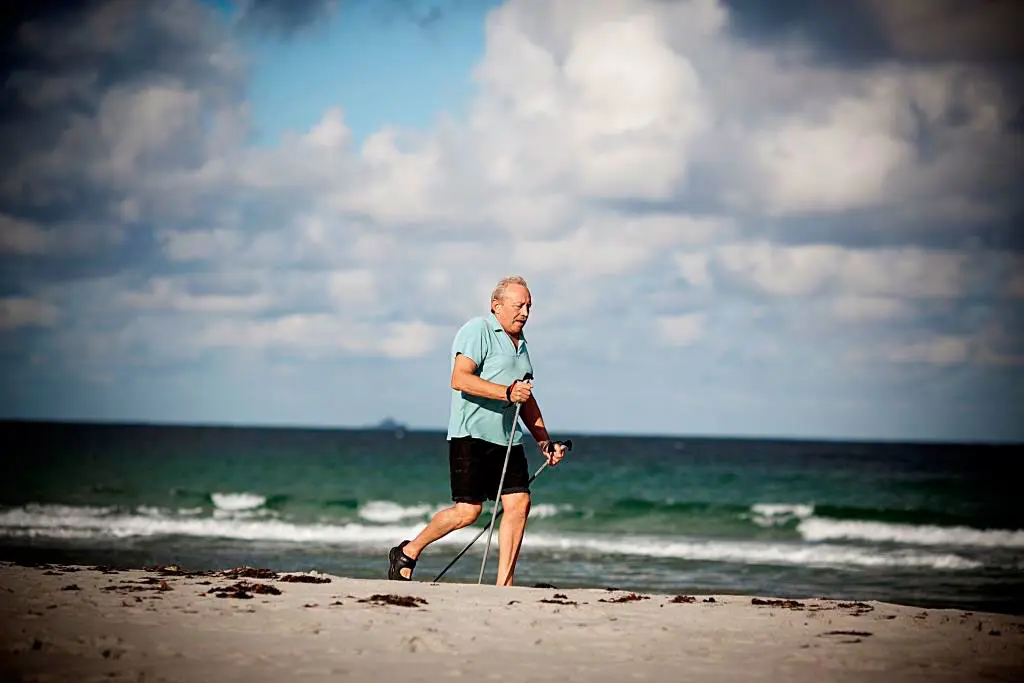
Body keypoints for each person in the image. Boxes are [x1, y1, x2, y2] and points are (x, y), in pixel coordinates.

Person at [387, 275, 568, 586]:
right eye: (518, 305)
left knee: (519, 502)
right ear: (496, 306)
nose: (524, 312)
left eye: (529, 306)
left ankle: (504, 585)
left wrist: (544, 442)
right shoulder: (477, 330)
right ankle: (408, 551)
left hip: (508, 440)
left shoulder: (522, 346)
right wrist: (506, 393)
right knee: (467, 512)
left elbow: (526, 399)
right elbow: (460, 378)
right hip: (471, 436)